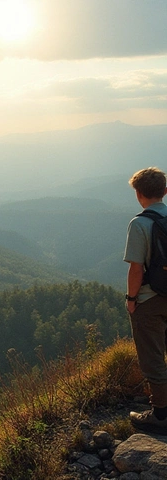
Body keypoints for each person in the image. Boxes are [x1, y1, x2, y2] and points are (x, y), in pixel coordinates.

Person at [124, 167, 167, 433]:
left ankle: (161, 415)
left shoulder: (139, 224)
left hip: (150, 300)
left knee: (152, 358)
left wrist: (131, 299)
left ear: (139, 194)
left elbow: (136, 268)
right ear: (165, 192)